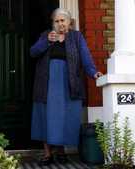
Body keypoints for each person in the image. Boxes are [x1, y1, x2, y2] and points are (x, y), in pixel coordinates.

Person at [30, 8, 103, 165]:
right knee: (46, 116)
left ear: (69, 22)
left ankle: (61, 151)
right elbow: (33, 52)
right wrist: (47, 41)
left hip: (69, 83)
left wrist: (93, 72)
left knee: (64, 116)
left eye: (63, 20)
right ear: (53, 24)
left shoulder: (76, 37)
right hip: (47, 84)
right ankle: (47, 153)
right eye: (56, 21)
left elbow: (85, 57)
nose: (60, 23)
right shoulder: (46, 35)